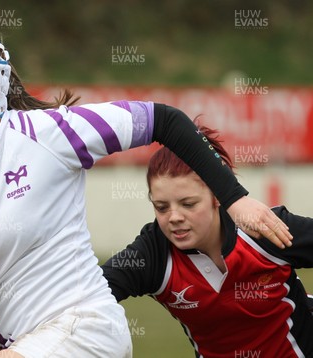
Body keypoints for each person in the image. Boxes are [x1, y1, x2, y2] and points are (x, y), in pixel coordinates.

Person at [0, 31, 290, 358]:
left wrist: (234, 198)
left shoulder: (50, 134)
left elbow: (166, 120)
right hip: (22, 341)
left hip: (86, 327)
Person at [94, 125, 312, 357]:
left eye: (188, 204)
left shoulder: (260, 230)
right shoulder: (153, 255)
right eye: (162, 207)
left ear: (218, 195)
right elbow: (86, 293)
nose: (175, 217)